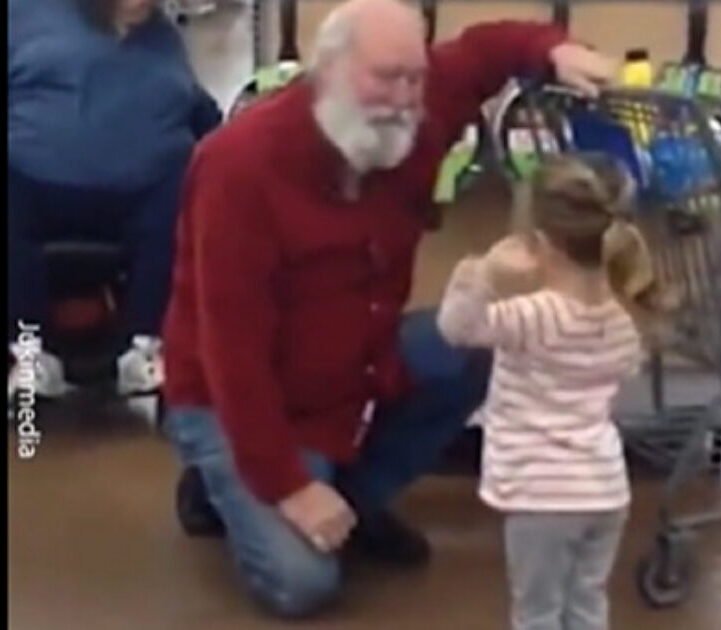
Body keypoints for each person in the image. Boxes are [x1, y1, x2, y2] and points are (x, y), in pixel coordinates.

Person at [161, 0, 617, 618]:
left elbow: (484, 51)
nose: (404, 97)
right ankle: (227, 486)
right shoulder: (238, 168)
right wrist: (288, 487)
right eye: (385, 77)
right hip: (234, 395)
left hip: (353, 367)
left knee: (476, 344)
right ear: (327, 70)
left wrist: (553, 49)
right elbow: (231, 355)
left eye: (414, 77)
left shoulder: (414, 116)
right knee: (303, 584)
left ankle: (351, 499)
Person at [437, 154, 670, 630]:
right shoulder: (626, 321)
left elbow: (456, 329)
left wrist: (480, 275)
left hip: (542, 496)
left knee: (537, 614)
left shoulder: (533, 317)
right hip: (605, 490)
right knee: (586, 602)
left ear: (539, 243)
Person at [7, 0, 221, 398]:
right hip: (30, 178)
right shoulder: (25, 15)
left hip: (146, 189)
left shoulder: (163, 38)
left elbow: (197, 107)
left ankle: (144, 348)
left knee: (190, 188)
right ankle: (29, 352)